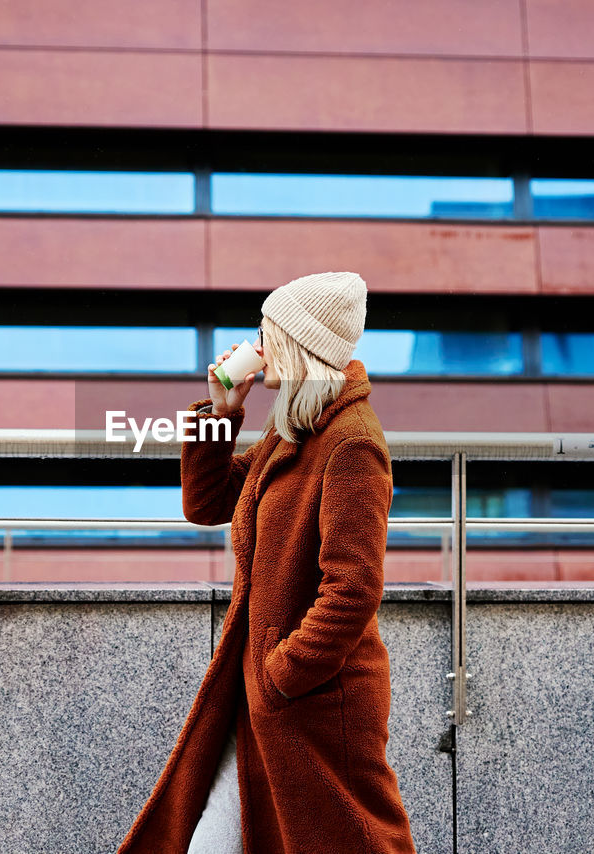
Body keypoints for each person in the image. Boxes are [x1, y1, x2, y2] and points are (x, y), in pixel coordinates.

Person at [117, 271, 417, 854]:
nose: (254, 341)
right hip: (259, 695)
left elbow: (353, 588)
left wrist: (283, 674)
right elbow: (207, 504)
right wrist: (223, 410)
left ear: (301, 344)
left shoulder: (351, 442)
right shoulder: (294, 430)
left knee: (355, 840)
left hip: (318, 703)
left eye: (266, 329)